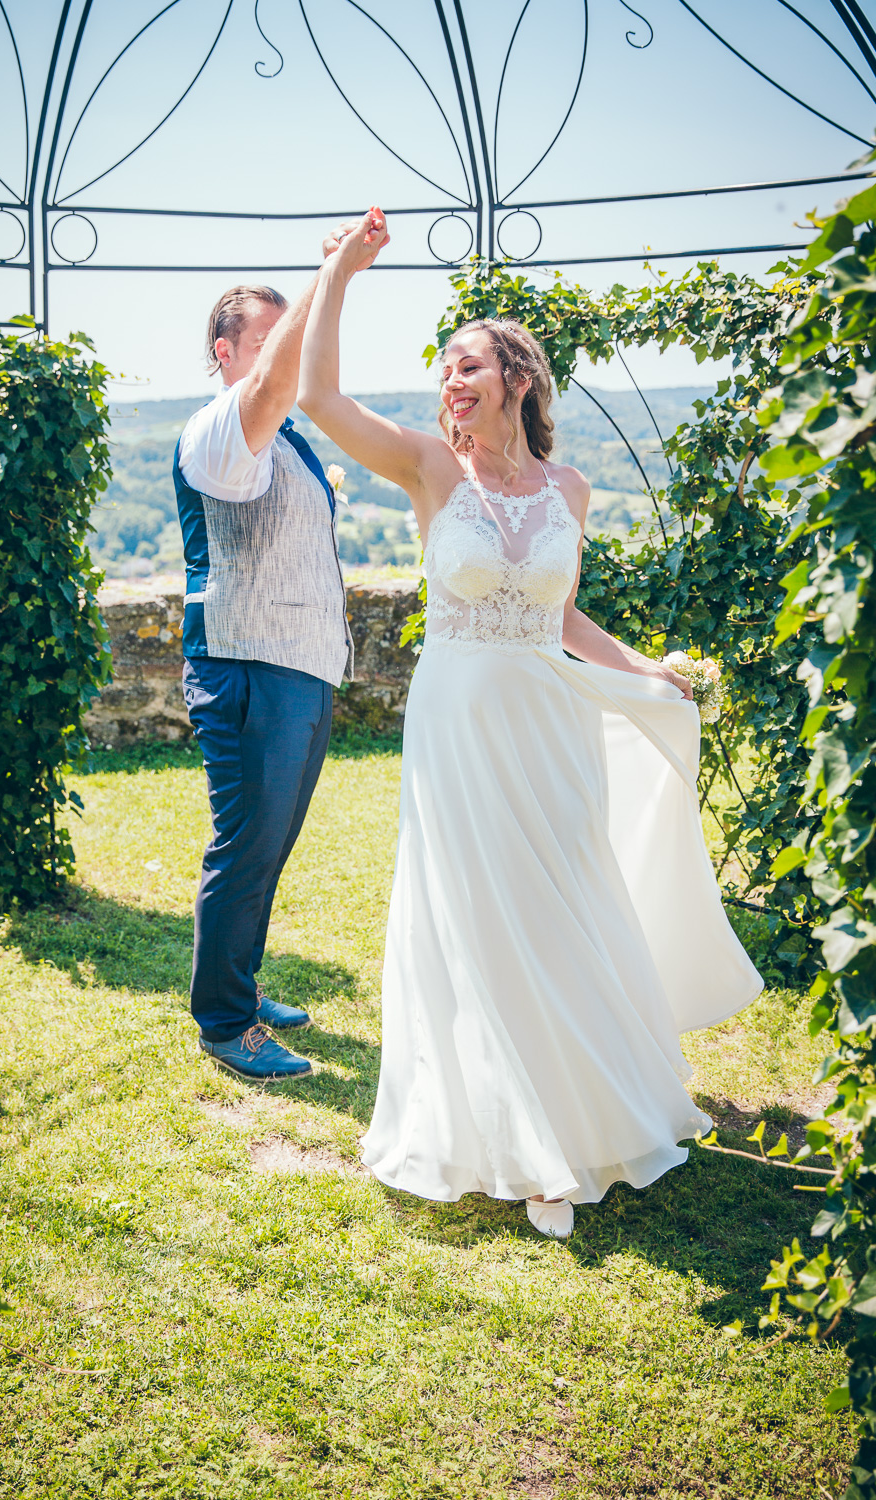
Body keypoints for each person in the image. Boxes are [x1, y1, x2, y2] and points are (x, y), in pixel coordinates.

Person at [297, 208, 762, 1237]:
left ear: (518, 376)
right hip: (458, 720)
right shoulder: (428, 468)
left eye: (470, 366)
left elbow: (558, 615)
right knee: (475, 910)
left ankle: (581, 1109)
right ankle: (518, 1145)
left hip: (545, 715)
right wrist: (340, 270)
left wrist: (644, 668)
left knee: (560, 897)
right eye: (445, 372)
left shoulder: (569, 488)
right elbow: (318, 396)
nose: (451, 384)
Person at [174, 216, 386, 1083]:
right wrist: (331, 270)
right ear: (226, 353)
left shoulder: (288, 433)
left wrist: (340, 279)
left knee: (272, 842)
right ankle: (226, 1024)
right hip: (249, 666)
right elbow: (272, 386)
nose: (281, 358)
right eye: (264, 341)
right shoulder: (219, 428)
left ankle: (242, 984)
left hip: (299, 665)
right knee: (246, 845)